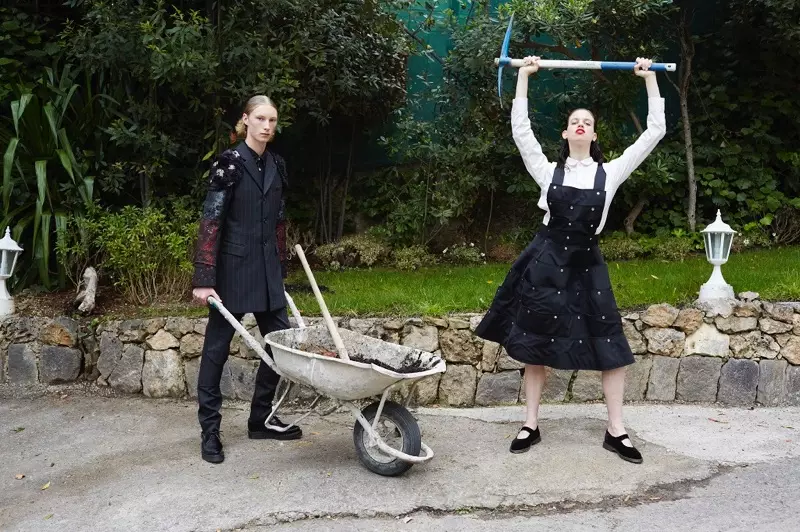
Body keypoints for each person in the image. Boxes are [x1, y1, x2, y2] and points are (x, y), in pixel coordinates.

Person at [475, 57, 666, 463]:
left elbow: (655, 131)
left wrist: (649, 80)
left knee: (610, 343)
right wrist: (523, 79)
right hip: (545, 262)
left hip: (587, 264)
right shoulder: (547, 171)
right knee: (534, 343)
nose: (581, 124)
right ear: (565, 132)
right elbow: (521, 131)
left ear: (594, 134)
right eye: (574, 120)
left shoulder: (611, 172)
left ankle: (617, 430)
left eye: (587, 121)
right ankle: (530, 423)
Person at [191, 95, 301, 464]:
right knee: (216, 352)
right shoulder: (229, 163)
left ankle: (260, 419)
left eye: (272, 119)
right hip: (232, 273)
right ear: (246, 120)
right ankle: (210, 431)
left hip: (268, 271)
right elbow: (211, 221)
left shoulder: (277, 164)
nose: (267, 126)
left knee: (280, 345)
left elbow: (279, 220)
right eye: (260, 118)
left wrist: (281, 268)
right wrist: (204, 277)